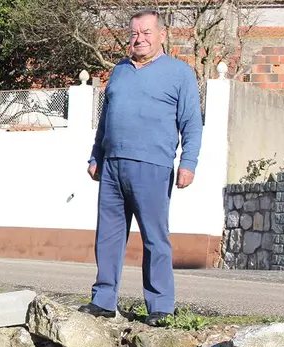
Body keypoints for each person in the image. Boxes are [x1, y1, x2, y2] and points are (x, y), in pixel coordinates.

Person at [78, 9, 203, 327]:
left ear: (162, 35)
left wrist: (188, 162)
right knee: (107, 236)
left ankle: (161, 305)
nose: (139, 38)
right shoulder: (118, 71)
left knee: (155, 238)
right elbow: (106, 120)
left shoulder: (179, 73)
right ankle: (103, 300)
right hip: (113, 166)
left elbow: (191, 122)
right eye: (134, 33)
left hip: (153, 166)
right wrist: (96, 157)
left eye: (146, 32)